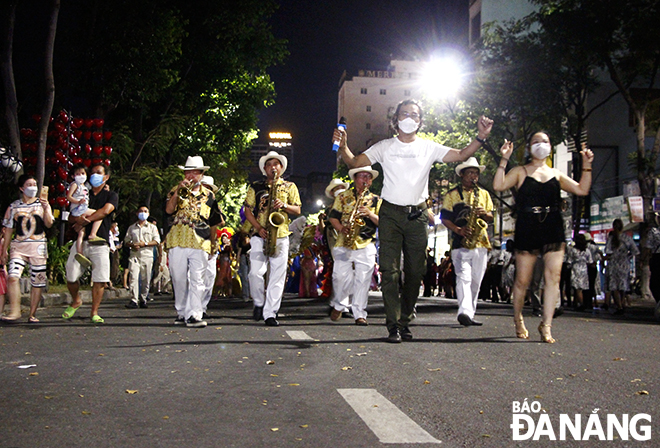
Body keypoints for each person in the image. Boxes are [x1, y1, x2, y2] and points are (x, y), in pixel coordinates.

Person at [335, 99, 493, 342]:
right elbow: (355, 163)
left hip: (417, 215)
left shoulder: (428, 147)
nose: (409, 117)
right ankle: (393, 326)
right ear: (396, 119)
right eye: (404, 113)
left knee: (415, 272)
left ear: (420, 121)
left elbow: (461, 154)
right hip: (389, 214)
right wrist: (343, 146)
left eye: (415, 115)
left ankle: (405, 318)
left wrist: (481, 137)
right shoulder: (385, 147)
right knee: (389, 271)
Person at [493, 132, 593, 343]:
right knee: (523, 280)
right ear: (529, 148)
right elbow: (498, 186)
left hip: (553, 226)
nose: (541, 145)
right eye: (536, 142)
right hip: (527, 225)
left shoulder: (556, 174)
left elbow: (582, 189)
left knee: (553, 278)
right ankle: (518, 317)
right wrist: (504, 159)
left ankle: (546, 325)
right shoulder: (520, 172)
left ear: (551, 146)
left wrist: (587, 164)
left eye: (545, 141)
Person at [243, 150, 301, 326]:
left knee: (277, 276)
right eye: (269, 165)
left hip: (281, 234)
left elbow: (298, 210)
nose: (272, 167)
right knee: (255, 273)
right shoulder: (255, 186)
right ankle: (259, 303)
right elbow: (247, 210)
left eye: (276, 164)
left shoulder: (290, 186)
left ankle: (270, 313)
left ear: (281, 167)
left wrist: (284, 205)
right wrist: (259, 228)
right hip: (259, 234)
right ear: (264, 169)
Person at [165, 156, 224, 328]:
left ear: (201, 174)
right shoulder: (175, 189)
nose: (191, 175)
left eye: (195, 172)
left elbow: (215, 222)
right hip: (178, 239)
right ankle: (181, 312)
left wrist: (213, 243)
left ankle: (194, 314)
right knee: (178, 277)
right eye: (188, 172)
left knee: (198, 279)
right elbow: (169, 210)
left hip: (201, 241)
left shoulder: (210, 196)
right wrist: (178, 192)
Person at [441, 157, 494, 326]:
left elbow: (491, 217)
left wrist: (484, 214)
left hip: (481, 242)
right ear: (462, 174)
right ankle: (463, 311)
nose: (474, 176)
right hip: (460, 243)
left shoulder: (484, 194)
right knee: (463, 277)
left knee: (476, 280)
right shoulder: (452, 195)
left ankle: (469, 313)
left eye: (476, 173)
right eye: (470, 172)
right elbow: (444, 218)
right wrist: (458, 230)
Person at [63, 163, 118, 323]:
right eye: (92, 172)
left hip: (100, 242)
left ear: (106, 177)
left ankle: (94, 312)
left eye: (99, 173)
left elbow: (106, 211)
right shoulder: (82, 192)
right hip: (81, 241)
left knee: (100, 279)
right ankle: (76, 300)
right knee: (71, 275)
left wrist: (84, 221)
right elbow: (70, 215)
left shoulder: (111, 195)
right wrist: (77, 220)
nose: (95, 175)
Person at [328, 166, 381, 325]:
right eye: (362, 176)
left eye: (368, 177)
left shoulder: (377, 200)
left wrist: (370, 214)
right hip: (344, 241)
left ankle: (359, 313)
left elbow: (382, 223)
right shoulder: (343, 196)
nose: (365, 180)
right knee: (339, 277)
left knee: (363, 279)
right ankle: (340, 303)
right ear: (354, 178)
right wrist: (341, 229)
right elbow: (333, 217)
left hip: (366, 242)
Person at [0, 175, 54, 323]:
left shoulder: (42, 204)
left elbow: (49, 224)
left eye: (34, 184)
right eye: (29, 184)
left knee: (37, 282)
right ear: (22, 188)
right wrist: (4, 249)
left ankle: (32, 313)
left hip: (38, 247)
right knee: (12, 276)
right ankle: (14, 311)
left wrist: (46, 207)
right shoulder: (13, 207)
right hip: (19, 246)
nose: (33, 187)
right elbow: (9, 229)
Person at [66, 164, 104, 268]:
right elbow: (68, 197)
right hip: (79, 208)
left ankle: (80, 253)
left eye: (83, 173)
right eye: (78, 174)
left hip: (80, 209)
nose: (81, 175)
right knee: (98, 214)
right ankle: (93, 234)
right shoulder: (75, 185)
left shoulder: (85, 186)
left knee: (81, 233)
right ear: (73, 176)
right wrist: (78, 202)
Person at [124, 206, 160, 309]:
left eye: (145, 211)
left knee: (146, 278)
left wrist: (145, 243)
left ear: (148, 214)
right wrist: (132, 244)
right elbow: (126, 241)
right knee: (133, 277)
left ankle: (143, 298)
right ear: (137, 213)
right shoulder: (132, 228)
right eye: (141, 211)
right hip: (135, 254)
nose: (143, 213)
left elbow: (156, 241)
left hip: (147, 255)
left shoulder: (152, 228)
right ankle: (133, 299)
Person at [604, 218, 638, 315]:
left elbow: (607, 251)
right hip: (624, 264)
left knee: (614, 286)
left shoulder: (612, 238)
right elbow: (635, 251)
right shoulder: (627, 238)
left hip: (614, 264)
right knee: (623, 285)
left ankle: (618, 306)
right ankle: (622, 303)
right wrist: (628, 257)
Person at [567, 233, 593, 311]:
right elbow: (590, 261)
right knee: (581, 288)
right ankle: (578, 303)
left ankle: (581, 303)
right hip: (584, 269)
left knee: (577, 287)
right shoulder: (587, 251)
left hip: (575, 269)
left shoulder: (573, 250)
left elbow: (569, 260)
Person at [644, 216, 660, 304]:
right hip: (656, 258)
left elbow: (648, 248)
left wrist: (643, 259)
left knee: (654, 283)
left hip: (657, 259)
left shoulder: (653, 232)